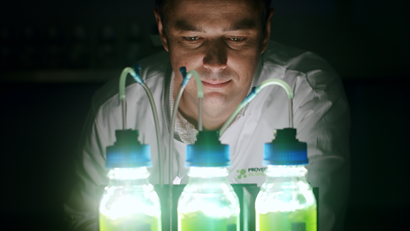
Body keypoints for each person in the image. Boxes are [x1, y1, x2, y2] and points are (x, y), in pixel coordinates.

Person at [64, 0, 350, 230]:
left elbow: (315, 222)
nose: (215, 63)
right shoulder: (118, 107)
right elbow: (84, 219)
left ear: (265, 32)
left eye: (237, 38)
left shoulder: (306, 94)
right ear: (163, 32)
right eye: (192, 38)